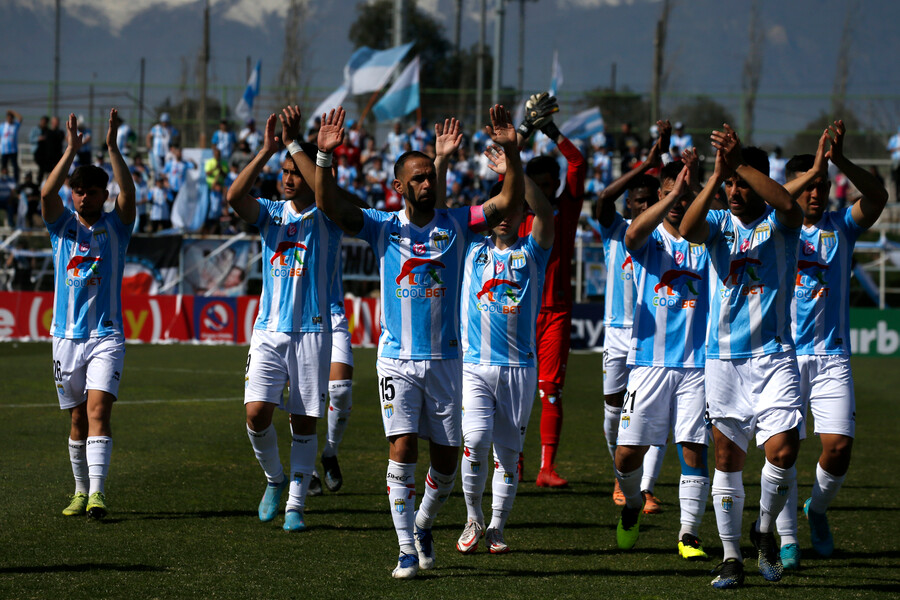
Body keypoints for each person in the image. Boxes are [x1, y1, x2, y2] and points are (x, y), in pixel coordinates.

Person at [315, 104, 522, 579]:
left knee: (446, 462)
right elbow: (332, 205)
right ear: (399, 187)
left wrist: (512, 151)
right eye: (418, 178)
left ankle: (424, 523)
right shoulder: (383, 227)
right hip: (397, 361)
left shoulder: (457, 224)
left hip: (448, 362)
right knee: (403, 447)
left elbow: (508, 204)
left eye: (431, 175)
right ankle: (406, 549)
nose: (427, 183)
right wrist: (325, 158)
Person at [680, 124, 804, 589]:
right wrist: (716, 175)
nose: (734, 190)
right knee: (727, 460)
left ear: (756, 181)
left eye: (739, 182)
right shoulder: (717, 225)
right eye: (730, 183)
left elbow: (790, 204)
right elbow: (688, 227)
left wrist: (742, 165)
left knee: (784, 449)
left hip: (774, 355)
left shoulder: (779, 224)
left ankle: (765, 529)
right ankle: (732, 558)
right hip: (724, 361)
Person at [774, 121, 888, 569]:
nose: (817, 193)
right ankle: (786, 538)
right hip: (781, 359)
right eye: (810, 185)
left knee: (838, 448)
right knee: (783, 452)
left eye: (823, 185)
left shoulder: (843, 226)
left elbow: (877, 198)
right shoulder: (776, 230)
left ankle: (816, 511)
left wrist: (840, 160)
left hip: (831, 357)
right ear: (793, 188)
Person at [226, 112, 343, 533]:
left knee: (303, 419)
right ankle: (275, 480)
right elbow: (234, 198)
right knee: (256, 413)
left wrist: (299, 146)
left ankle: (296, 503)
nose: (289, 178)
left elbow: (323, 190)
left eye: (296, 173)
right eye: (285, 172)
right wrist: (267, 152)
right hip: (270, 330)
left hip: (313, 330)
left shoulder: (329, 213)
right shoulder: (272, 212)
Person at [455, 142, 554, 555]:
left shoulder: (533, 252)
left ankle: (497, 526)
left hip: (518, 368)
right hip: (475, 365)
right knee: (475, 439)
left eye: (513, 209)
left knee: (509, 453)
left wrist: (515, 165)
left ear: (522, 215)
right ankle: (473, 517)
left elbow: (547, 213)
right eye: (499, 209)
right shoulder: (470, 250)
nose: (503, 218)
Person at [615, 152, 712, 560]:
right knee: (626, 455)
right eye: (671, 194)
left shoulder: (710, 241)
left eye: (685, 196)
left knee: (693, 447)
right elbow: (631, 235)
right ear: (660, 194)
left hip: (699, 364)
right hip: (648, 364)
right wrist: (672, 194)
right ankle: (634, 503)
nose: (679, 201)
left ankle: (688, 533)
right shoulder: (651, 239)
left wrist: (698, 191)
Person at [40, 109, 136, 520]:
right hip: (65, 336)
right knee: (77, 418)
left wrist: (112, 148)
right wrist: (71, 150)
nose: (84, 196)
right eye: (78, 190)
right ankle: (80, 491)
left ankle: (97, 494)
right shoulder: (60, 226)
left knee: (98, 411)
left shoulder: (116, 227)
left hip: (105, 336)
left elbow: (128, 196)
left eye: (92, 191)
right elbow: (46, 195)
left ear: (103, 194)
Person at [595, 121, 672, 509]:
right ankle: (621, 476)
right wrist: (646, 164)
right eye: (638, 201)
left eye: (649, 200)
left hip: (653, 333)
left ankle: (644, 488)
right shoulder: (615, 228)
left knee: (654, 413)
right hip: (617, 333)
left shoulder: (667, 237)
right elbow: (602, 199)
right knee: (612, 413)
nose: (643, 207)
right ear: (630, 203)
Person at [514, 92, 587, 488]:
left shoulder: (566, 210)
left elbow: (577, 161)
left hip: (556, 311)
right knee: (516, 390)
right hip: (517, 311)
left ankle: (546, 468)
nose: (543, 190)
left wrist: (551, 130)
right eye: (536, 184)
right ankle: (516, 460)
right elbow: (504, 162)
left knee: (550, 390)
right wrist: (523, 128)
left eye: (549, 184)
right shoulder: (514, 209)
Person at [146, 113, 178, 177]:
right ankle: (158, 182)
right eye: (163, 122)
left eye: (166, 122)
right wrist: (149, 145)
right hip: (157, 152)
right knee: (158, 169)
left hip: (167, 153)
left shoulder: (171, 129)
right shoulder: (156, 128)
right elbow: (148, 136)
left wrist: (175, 146)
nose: (164, 123)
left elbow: (178, 135)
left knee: (167, 169)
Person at [1, 109, 23, 183]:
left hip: (13, 150)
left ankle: (15, 182)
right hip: (4, 151)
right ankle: (4, 181)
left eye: (11, 117)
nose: (9, 119)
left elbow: (20, 118)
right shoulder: (2, 126)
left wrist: (12, 112)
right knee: (4, 167)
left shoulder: (15, 125)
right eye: (8, 117)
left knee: (15, 167)